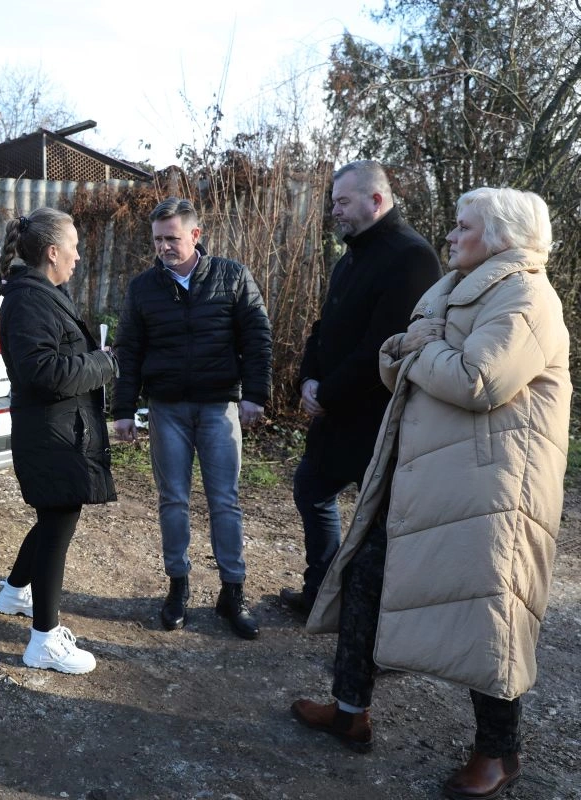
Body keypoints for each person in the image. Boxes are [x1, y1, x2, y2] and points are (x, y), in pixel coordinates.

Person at [291, 187, 571, 800]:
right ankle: (350, 710)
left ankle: (499, 751)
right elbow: (398, 360)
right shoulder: (453, 288)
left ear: (500, 237)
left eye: (463, 226)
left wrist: (420, 349)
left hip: (494, 489)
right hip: (425, 472)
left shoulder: (528, 297)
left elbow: (479, 380)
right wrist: (412, 350)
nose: (450, 234)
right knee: (364, 574)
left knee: (490, 608)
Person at [279, 160, 441, 617]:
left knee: (381, 522)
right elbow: (323, 327)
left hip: (379, 419)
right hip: (335, 412)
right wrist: (308, 379)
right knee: (311, 486)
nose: (335, 210)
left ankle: (376, 617)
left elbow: (383, 348)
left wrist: (325, 394)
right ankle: (322, 594)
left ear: (376, 200)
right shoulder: (350, 255)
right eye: (334, 202)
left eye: (343, 202)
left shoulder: (412, 257)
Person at [112, 198, 272, 639]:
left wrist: (255, 394)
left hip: (219, 407)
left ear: (196, 235)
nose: (164, 247)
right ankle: (177, 587)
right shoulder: (143, 288)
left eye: (172, 238)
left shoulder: (232, 277)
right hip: (167, 410)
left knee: (225, 501)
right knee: (173, 500)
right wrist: (123, 410)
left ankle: (232, 592)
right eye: (157, 239)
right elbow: (129, 349)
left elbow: (257, 336)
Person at [0, 206, 119, 675]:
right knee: (56, 528)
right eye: (74, 247)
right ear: (51, 252)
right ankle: (44, 640)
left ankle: (13, 592)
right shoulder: (29, 300)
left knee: (52, 519)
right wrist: (105, 363)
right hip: (50, 435)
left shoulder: (42, 294)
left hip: (59, 429)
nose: (78, 256)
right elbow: (42, 371)